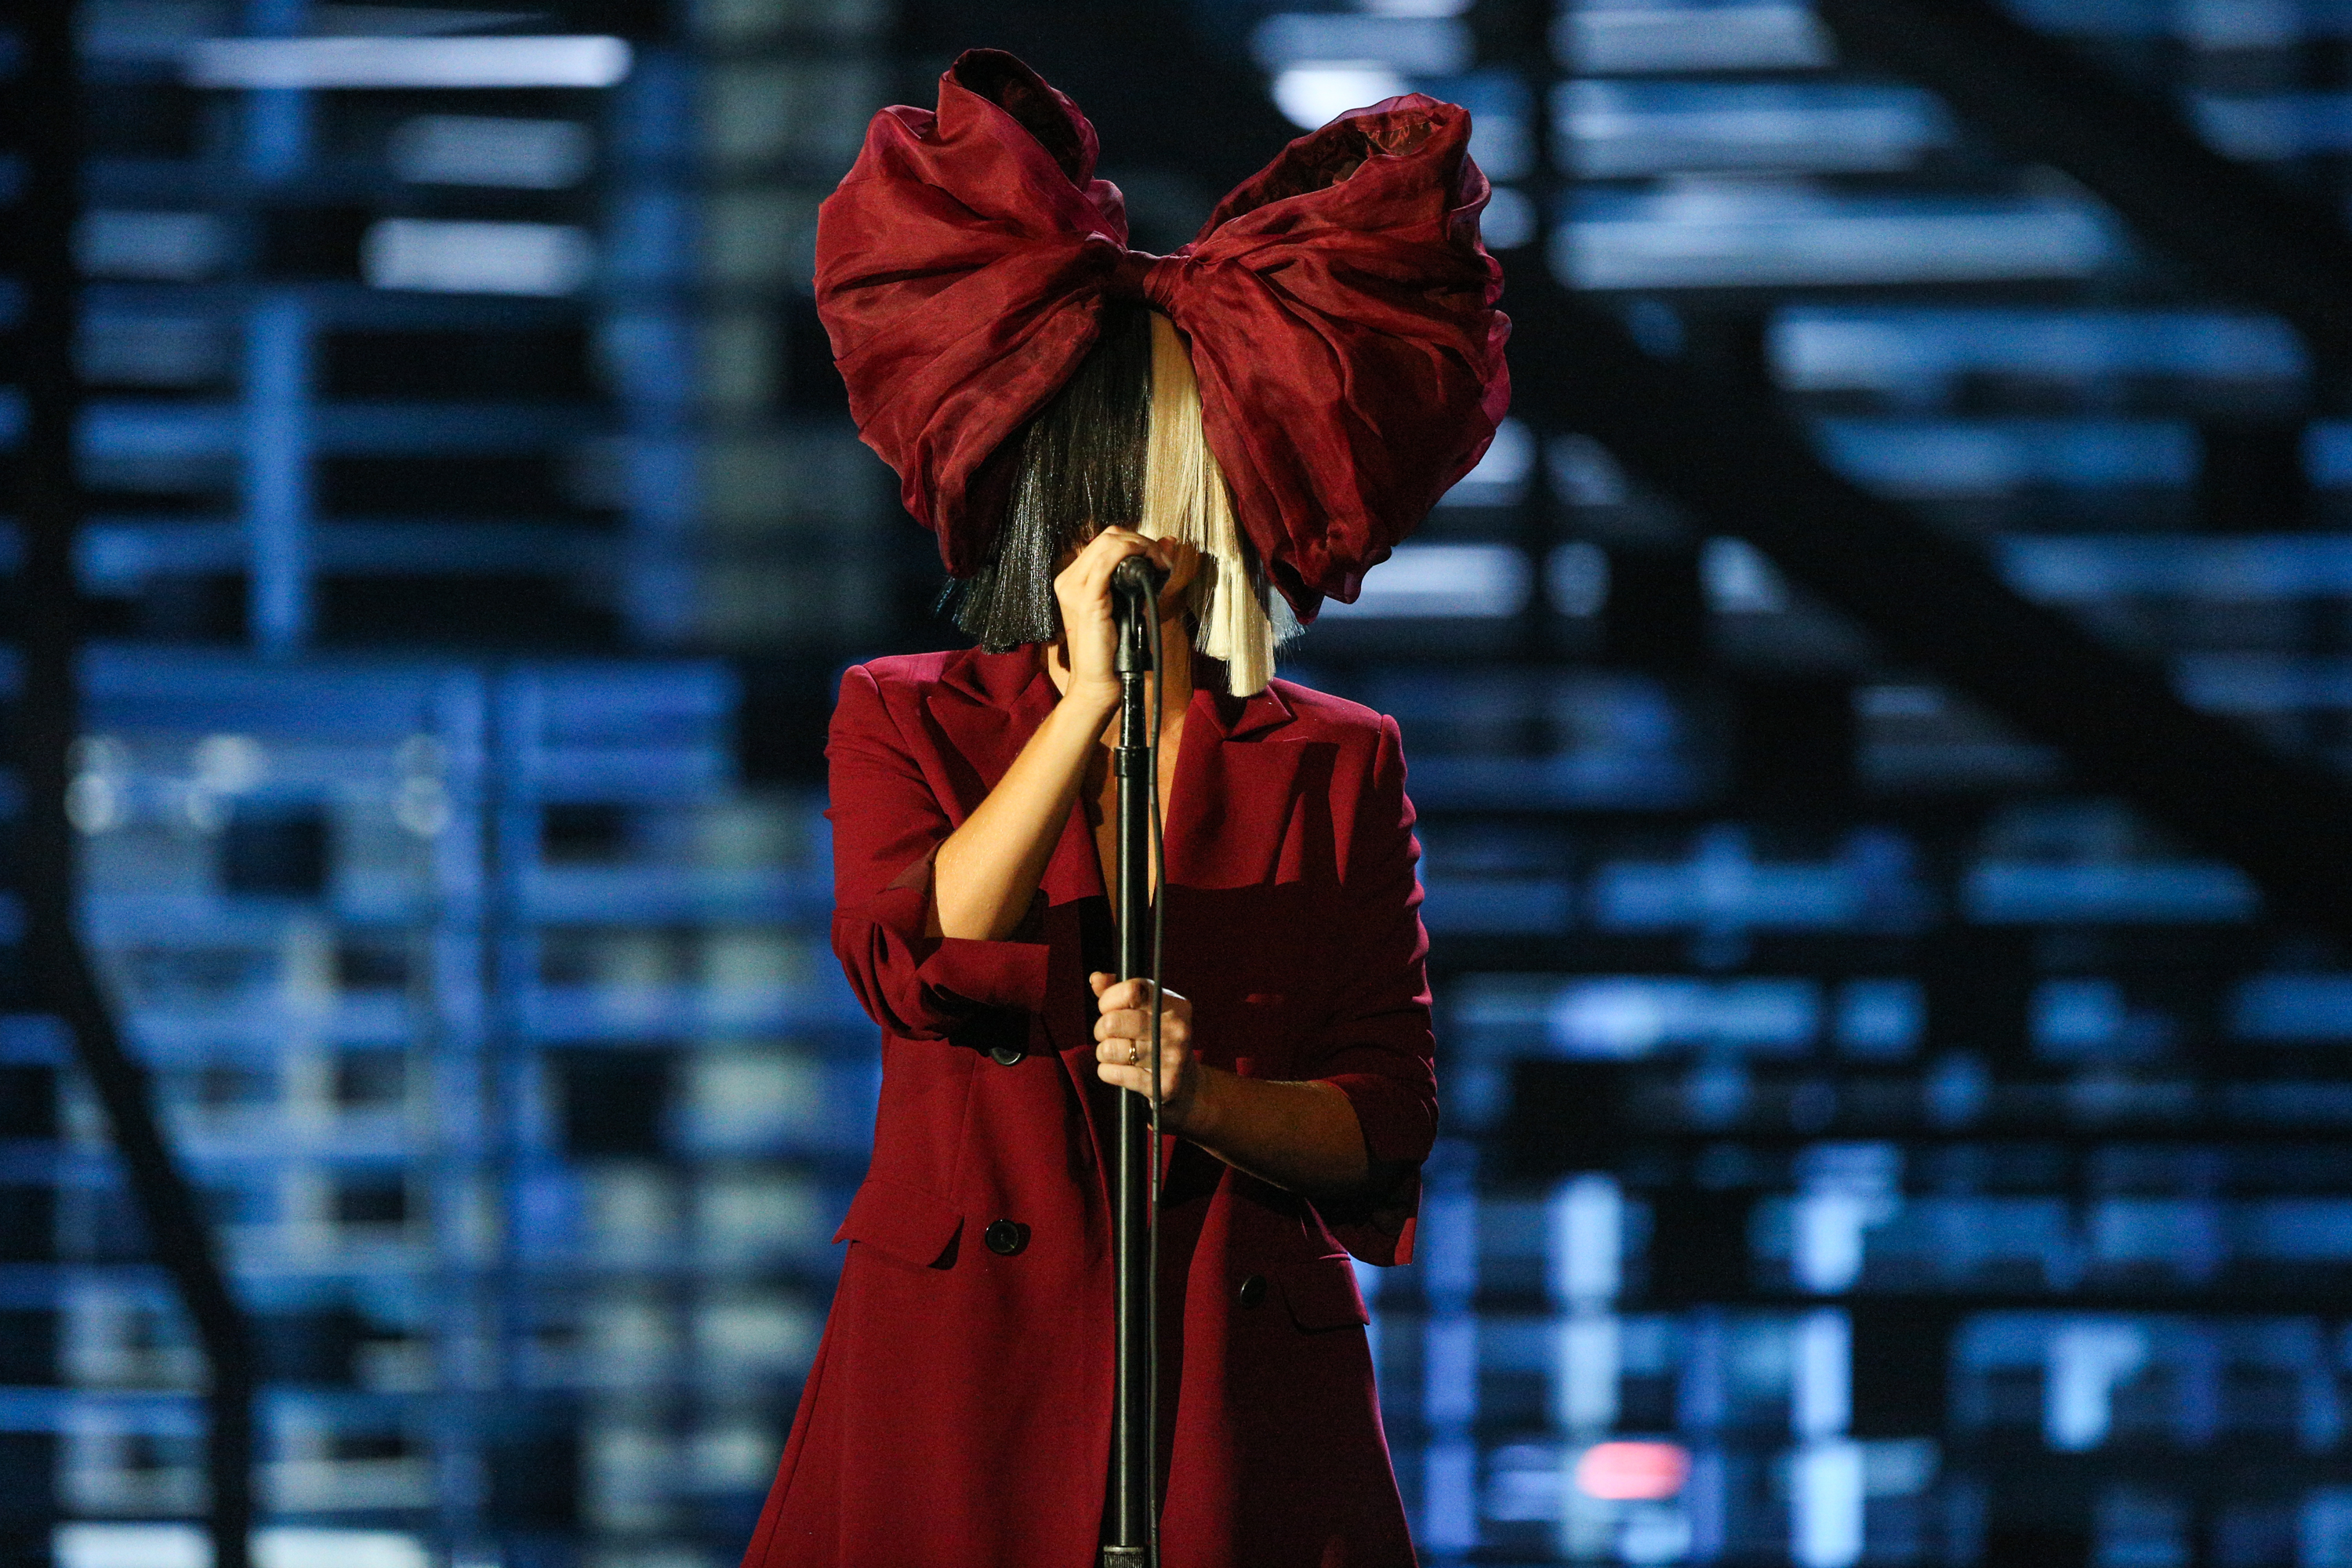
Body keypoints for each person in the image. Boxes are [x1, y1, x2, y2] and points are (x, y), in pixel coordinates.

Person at [739, 50, 1508, 1568]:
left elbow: (1386, 1114)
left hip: (1228, 1374)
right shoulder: (906, 710)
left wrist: (1201, 1093)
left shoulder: (1336, 755)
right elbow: (918, 953)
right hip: (971, 1368)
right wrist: (1088, 701)